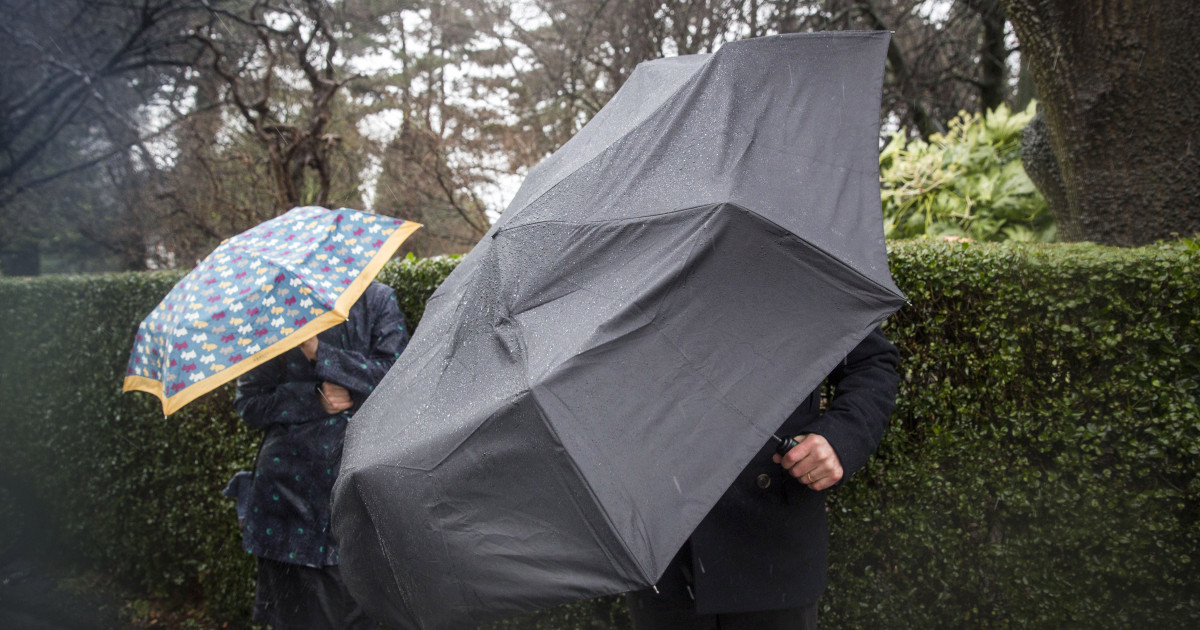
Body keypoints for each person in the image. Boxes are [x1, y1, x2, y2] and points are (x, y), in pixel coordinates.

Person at [625, 327, 899, 630]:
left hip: (773, 547)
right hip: (664, 548)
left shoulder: (798, 279)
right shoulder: (617, 281)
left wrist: (841, 438)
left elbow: (870, 362)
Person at [231, 282, 408, 630]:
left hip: (359, 498)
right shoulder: (275, 309)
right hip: (289, 512)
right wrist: (313, 399)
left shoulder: (376, 299)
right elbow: (249, 403)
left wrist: (320, 354)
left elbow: (398, 377)